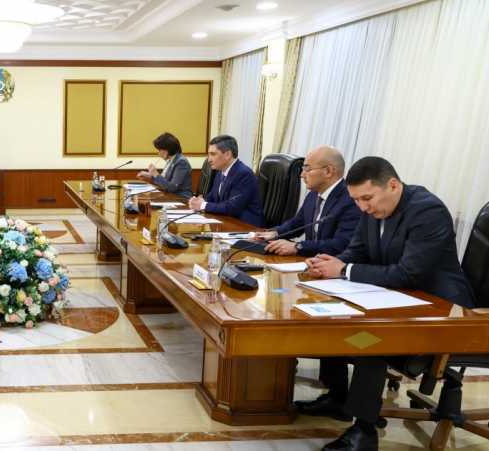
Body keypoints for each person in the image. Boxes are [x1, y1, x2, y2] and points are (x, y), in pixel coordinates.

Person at [303, 156, 474, 451]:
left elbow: (409, 273)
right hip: (400, 299)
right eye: (356, 200)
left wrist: (344, 270)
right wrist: (331, 263)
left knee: (371, 338)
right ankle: (338, 397)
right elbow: (357, 251)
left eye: (367, 198)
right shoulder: (372, 209)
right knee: (334, 315)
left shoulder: (427, 211)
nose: (363, 208)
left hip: (443, 309)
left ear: (393, 185)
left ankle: (364, 431)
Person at [256, 146, 361, 256]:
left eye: (307, 169)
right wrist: (275, 233)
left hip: (331, 263)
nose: (302, 175)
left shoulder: (351, 200)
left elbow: (341, 244)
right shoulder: (314, 193)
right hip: (308, 260)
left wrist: (298, 246)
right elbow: (297, 223)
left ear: (328, 171)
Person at [187, 135, 264, 226]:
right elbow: (212, 197)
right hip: (227, 221)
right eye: (209, 154)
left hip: (246, 226)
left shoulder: (243, 174)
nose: (209, 160)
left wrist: (203, 205)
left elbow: (232, 207)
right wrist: (198, 201)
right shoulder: (221, 171)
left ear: (227, 155)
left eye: (213, 154)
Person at [136, 132, 193, 198]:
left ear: (167, 150)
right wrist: (150, 176)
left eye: (159, 150)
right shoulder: (171, 160)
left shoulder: (181, 162)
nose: (158, 153)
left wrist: (155, 174)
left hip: (181, 198)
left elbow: (172, 187)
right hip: (170, 196)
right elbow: (165, 182)